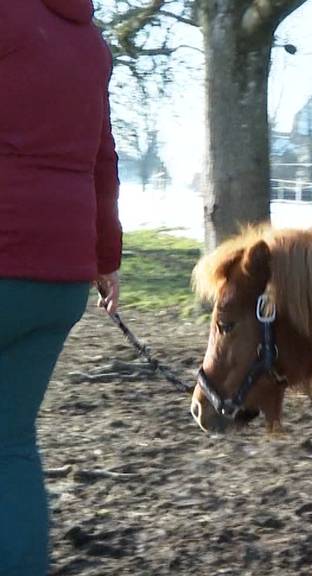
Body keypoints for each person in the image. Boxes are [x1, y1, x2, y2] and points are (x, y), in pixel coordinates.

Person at [0, 1, 122, 574]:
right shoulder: (90, 44)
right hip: (60, 276)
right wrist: (105, 257)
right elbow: (103, 157)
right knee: (11, 443)